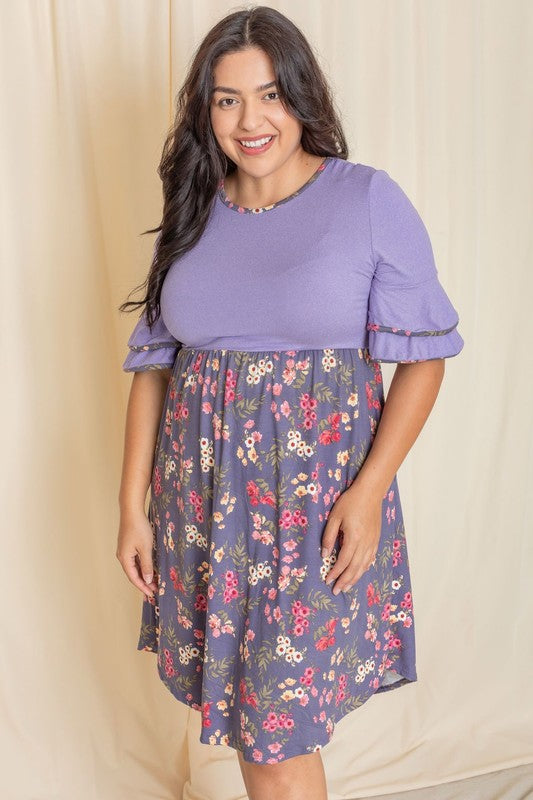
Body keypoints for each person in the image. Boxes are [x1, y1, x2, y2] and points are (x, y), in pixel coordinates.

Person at [116, 6, 464, 799]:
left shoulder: (366, 200)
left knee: (273, 731)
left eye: (269, 94)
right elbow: (154, 369)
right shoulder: (193, 208)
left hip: (313, 511)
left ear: (301, 97)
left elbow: (424, 360)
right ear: (204, 109)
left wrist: (368, 494)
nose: (250, 119)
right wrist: (132, 508)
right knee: (251, 722)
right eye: (226, 98)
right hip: (201, 508)